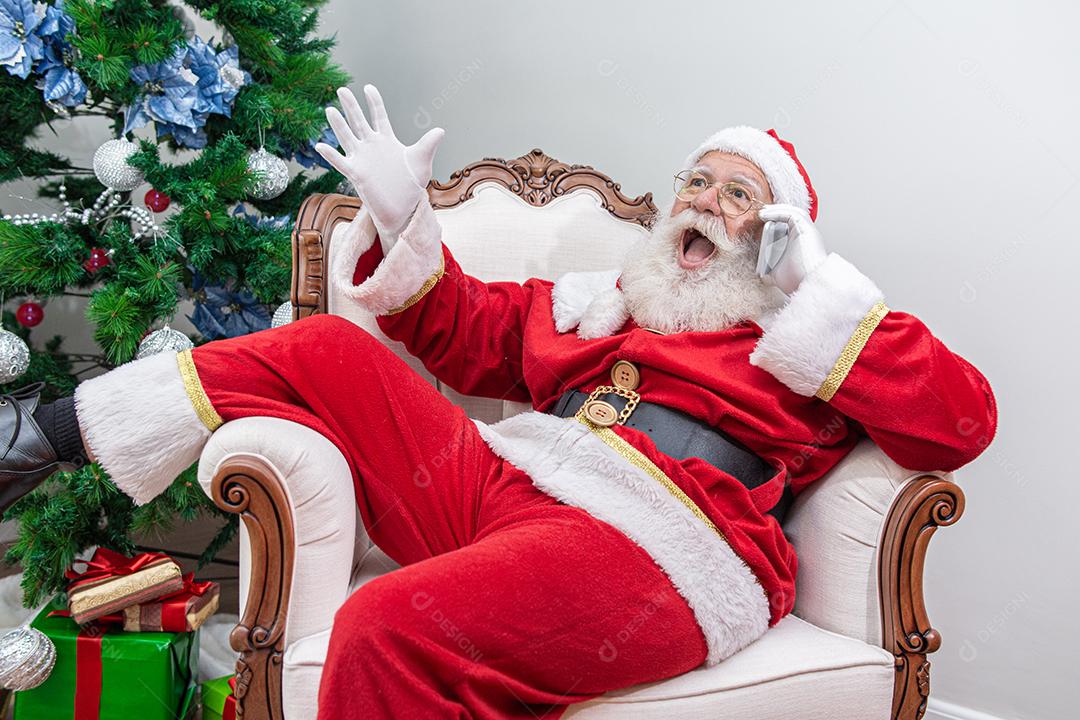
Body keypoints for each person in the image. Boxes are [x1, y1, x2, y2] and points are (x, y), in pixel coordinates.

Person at [0, 84, 997, 719]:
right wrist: (400, 222)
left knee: (388, 627)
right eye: (696, 181)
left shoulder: (810, 345)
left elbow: (961, 421)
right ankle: (36, 437)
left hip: (663, 545)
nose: (704, 202)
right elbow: (462, 332)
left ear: (781, 233)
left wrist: (815, 293)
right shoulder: (605, 304)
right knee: (322, 347)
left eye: (740, 196)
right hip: (509, 485)